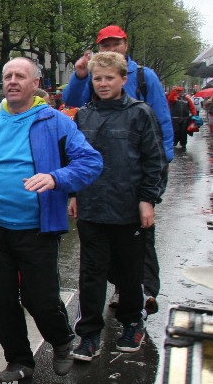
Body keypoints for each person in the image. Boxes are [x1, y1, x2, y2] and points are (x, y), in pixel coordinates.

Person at [0, 58, 102, 384]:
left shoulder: (54, 122)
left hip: (37, 228)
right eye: (8, 76)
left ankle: (61, 340)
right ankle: (19, 360)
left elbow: (90, 162)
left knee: (39, 299)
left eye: (20, 76)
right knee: (0, 299)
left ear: (35, 83)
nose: (12, 81)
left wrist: (56, 178)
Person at [62, 24, 172, 315]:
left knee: (134, 259)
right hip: (95, 198)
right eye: (105, 44)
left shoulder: (144, 85)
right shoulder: (86, 109)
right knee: (94, 266)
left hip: (129, 190)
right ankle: (92, 325)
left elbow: (160, 128)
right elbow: (73, 106)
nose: (103, 83)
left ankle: (139, 301)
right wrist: (74, 193)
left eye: (115, 43)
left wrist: (151, 194)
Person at [70, 52, 165, 361]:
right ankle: (89, 334)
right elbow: (74, 158)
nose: (103, 83)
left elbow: (154, 160)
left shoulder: (140, 113)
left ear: (123, 79)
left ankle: (132, 322)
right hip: (92, 207)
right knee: (91, 273)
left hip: (128, 208)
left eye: (109, 78)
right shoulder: (84, 115)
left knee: (129, 272)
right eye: (97, 78)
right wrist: (73, 193)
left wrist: (147, 200)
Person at [167, 86, 196, 151]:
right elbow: (170, 99)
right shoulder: (173, 98)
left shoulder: (187, 99)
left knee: (184, 132)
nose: (179, 92)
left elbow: (192, 107)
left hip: (185, 119)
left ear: (183, 91)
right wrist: (173, 91)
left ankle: (183, 144)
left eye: (181, 91)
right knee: (175, 131)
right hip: (175, 119)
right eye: (178, 91)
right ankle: (174, 143)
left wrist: (194, 115)